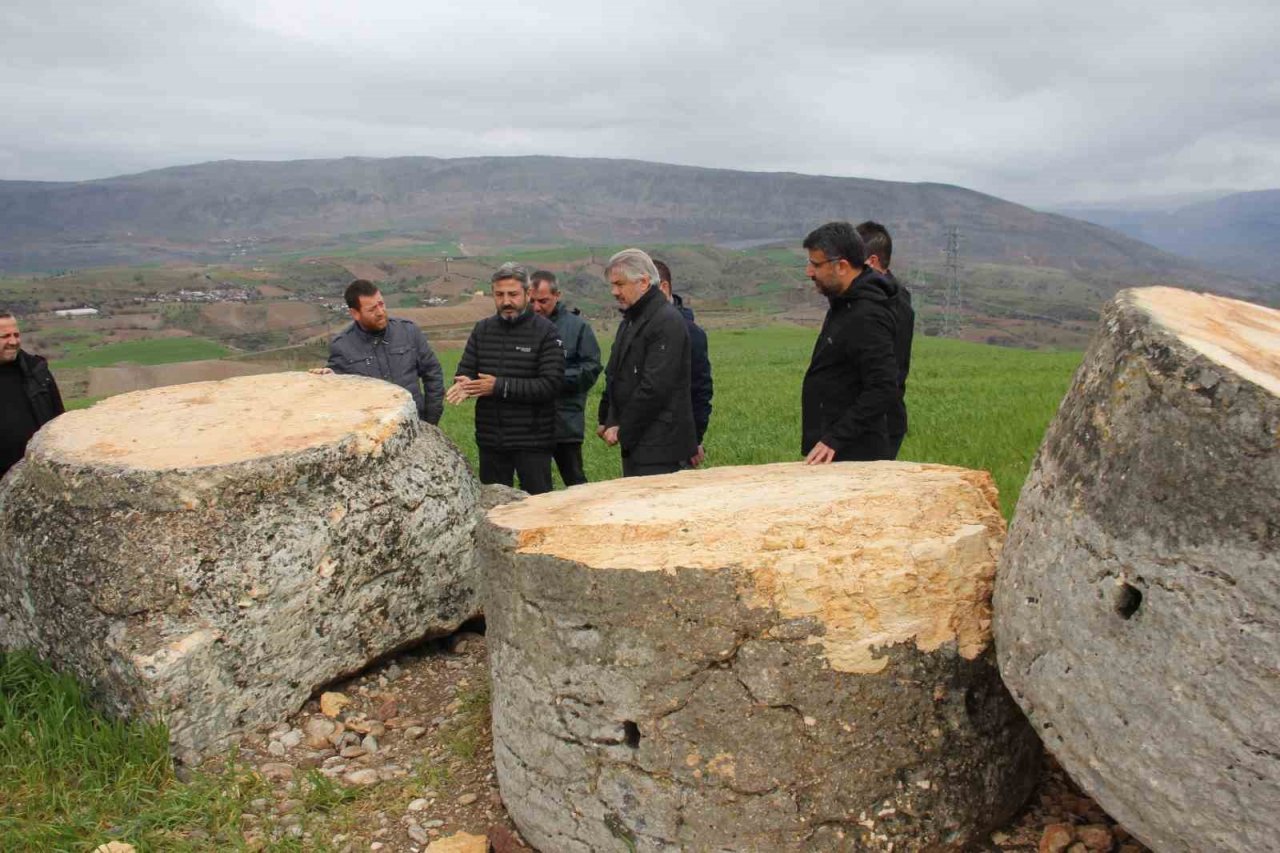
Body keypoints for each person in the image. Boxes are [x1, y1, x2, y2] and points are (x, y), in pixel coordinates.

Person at [447, 263, 564, 494]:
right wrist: (463, 385)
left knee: (537, 507)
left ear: (527, 294)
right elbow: (466, 370)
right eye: (499, 295)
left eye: (513, 294)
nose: (506, 301)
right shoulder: (482, 330)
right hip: (492, 441)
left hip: (533, 442)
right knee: (495, 509)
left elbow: (551, 384)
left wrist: (499, 386)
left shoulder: (546, 332)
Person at [800, 221, 903, 463]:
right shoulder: (844, 302)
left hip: (855, 455)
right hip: (835, 449)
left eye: (816, 264)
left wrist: (835, 438)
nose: (809, 272)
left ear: (842, 266)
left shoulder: (868, 314)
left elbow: (883, 387)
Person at [596, 249, 697, 477]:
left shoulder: (666, 321)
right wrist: (608, 418)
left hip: (662, 448)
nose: (614, 292)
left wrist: (622, 428)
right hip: (641, 446)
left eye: (620, 284)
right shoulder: (631, 320)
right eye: (612, 285)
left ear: (643, 282)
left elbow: (654, 387)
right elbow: (616, 375)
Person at [313, 280, 444, 424]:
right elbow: (341, 390)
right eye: (372, 309)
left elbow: (433, 373)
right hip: (373, 432)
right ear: (355, 313)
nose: (380, 312)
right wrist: (329, 378)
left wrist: (431, 420)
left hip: (416, 423)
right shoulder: (342, 346)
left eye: (381, 304)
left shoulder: (408, 331)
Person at [529, 270, 602, 486]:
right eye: (531, 301)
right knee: (536, 487)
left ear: (557, 295)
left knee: (575, 482)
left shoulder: (578, 327)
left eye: (543, 301)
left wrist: (553, 380)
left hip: (565, 422)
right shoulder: (523, 327)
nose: (536, 307)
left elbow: (591, 368)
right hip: (529, 426)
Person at [856, 221, 915, 459]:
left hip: (878, 424)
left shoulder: (887, 303)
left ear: (871, 261)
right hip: (877, 419)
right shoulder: (897, 296)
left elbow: (884, 377)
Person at [654, 259, 712, 467]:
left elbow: (700, 390)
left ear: (664, 287)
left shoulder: (689, 332)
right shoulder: (634, 327)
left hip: (677, 443)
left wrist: (694, 439)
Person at [0, 311, 64, 478]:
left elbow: (59, 421)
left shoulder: (37, 372)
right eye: (5, 336)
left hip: (37, 476)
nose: (13, 342)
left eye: (16, 335)